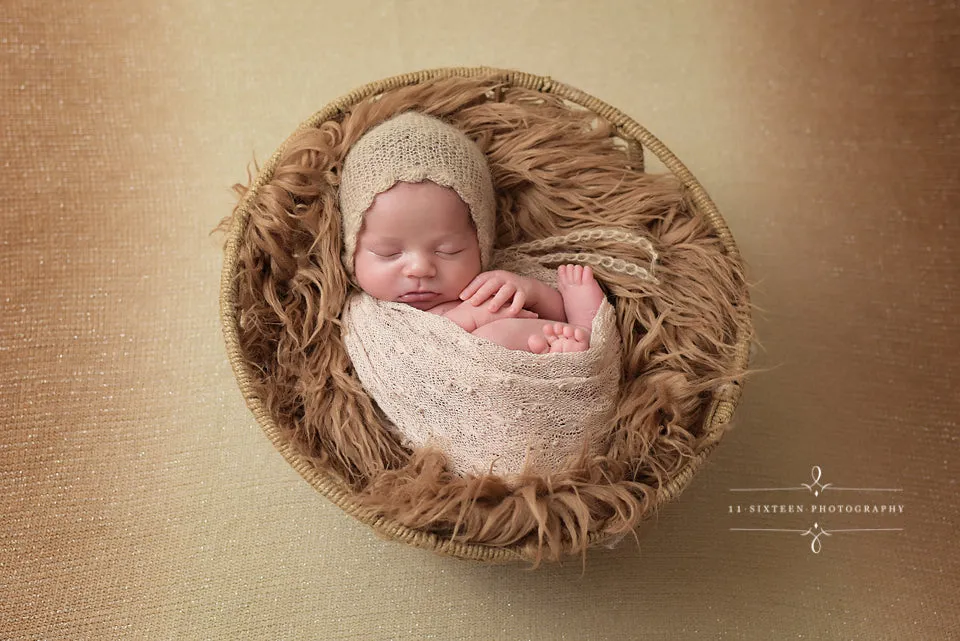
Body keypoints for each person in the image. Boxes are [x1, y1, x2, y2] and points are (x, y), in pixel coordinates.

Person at [340, 111, 605, 353]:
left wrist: (532, 292)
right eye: (389, 253)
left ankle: (585, 330)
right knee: (492, 337)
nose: (420, 269)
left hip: (558, 366)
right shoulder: (369, 315)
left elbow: (553, 315)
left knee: (563, 324)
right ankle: (558, 349)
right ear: (352, 252)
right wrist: (470, 319)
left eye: (448, 251)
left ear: (481, 242)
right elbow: (410, 358)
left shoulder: (493, 280)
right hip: (468, 392)